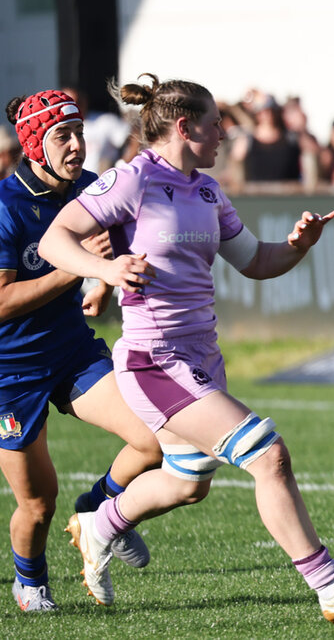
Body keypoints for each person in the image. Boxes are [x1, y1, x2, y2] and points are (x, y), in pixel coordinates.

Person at [38, 74, 334, 622]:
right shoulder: (131, 180)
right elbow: (53, 240)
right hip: (154, 359)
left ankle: (100, 524)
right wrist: (107, 269)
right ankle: (332, 589)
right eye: (215, 125)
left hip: (200, 355)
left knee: (187, 483)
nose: (225, 134)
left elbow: (257, 262)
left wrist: (298, 247)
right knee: (268, 454)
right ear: (184, 128)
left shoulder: (207, 190)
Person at [2, 89, 161, 612]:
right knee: (37, 504)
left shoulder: (91, 189)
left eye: (78, 133)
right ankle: (31, 584)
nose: (76, 145)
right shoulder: (5, 208)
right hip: (11, 373)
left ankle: (98, 512)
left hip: (72, 351)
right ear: (33, 146)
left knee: (150, 441)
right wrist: (75, 268)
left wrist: (99, 282)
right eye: (61, 136)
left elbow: (106, 260)